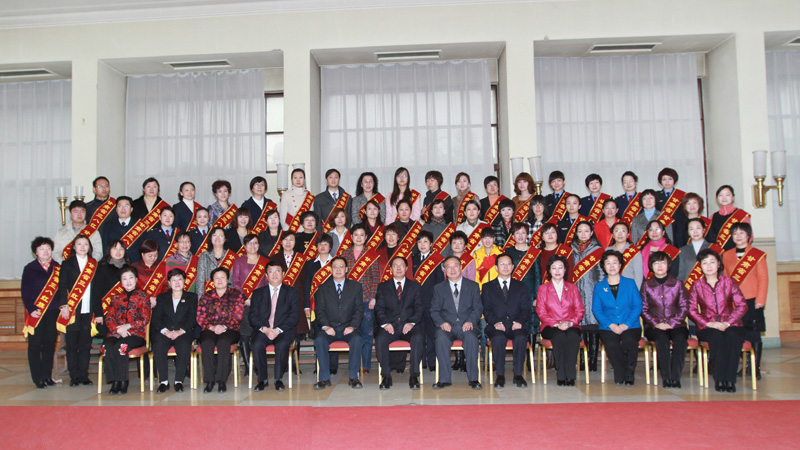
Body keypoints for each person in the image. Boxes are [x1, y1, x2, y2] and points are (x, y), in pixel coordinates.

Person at [689, 249, 747, 392]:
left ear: (719, 264)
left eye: (712, 262)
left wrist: (727, 323)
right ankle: (720, 379)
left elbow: (742, 305)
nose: (708, 266)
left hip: (731, 324)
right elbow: (691, 310)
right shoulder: (697, 285)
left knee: (733, 336)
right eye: (704, 263)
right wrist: (709, 323)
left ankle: (730, 380)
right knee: (717, 338)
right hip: (707, 326)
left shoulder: (729, 282)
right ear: (700, 266)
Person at [723, 222, 768, 380]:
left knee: (754, 333)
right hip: (735, 302)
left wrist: (760, 299)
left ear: (749, 236)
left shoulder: (757, 255)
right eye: (735, 233)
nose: (738, 236)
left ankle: (755, 367)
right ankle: (743, 365)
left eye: (742, 233)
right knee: (738, 333)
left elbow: (763, 279)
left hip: (753, 300)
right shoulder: (727, 255)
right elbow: (726, 279)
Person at [431, 256, 483, 390]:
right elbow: (434, 310)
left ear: (461, 267)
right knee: (441, 338)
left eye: (455, 265)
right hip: (447, 326)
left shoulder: (473, 286)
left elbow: (478, 308)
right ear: (445, 270)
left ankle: (473, 379)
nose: (452, 269)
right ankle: (444, 379)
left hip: (467, 325)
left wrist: (471, 321)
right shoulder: (438, 288)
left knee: (471, 339)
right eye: (448, 267)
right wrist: (442, 323)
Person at [313, 257, 365, 390]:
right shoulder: (323, 288)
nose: (338, 269)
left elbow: (359, 310)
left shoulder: (356, 287)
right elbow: (319, 310)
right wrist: (326, 326)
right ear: (330, 270)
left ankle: (353, 377)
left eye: (341, 266)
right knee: (319, 340)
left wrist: (352, 326)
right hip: (329, 328)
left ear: (346, 269)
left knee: (357, 340)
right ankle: (324, 378)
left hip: (348, 327)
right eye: (335, 267)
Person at [593, 250, 643, 386]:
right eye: (608, 263)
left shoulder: (630, 283)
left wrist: (626, 324)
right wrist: (612, 325)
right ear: (603, 266)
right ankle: (621, 372)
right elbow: (597, 310)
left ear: (620, 265)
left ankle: (629, 374)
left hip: (630, 325)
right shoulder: (599, 287)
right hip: (608, 326)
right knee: (611, 344)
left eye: (615, 262)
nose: (612, 266)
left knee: (629, 341)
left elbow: (637, 306)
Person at [640, 252, 689, 388]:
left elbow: (684, 307)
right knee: (662, 340)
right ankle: (666, 377)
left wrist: (672, 323)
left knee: (680, 340)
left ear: (669, 265)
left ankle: (675, 377)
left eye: (663, 262)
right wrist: (657, 323)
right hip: (654, 326)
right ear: (651, 266)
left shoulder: (678, 284)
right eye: (656, 263)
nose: (659, 266)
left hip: (677, 324)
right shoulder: (646, 285)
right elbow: (643, 309)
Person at [481, 254, 531, 388]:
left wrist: (519, 321)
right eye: (502, 264)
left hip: (516, 324)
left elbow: (526, 308)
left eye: (508, 264)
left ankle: (518, 375)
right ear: (496, 267)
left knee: (521, 338)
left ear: (513, 267)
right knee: (498, 339)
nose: (505, 267)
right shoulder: (487, 287)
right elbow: (486, 309)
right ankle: (500, 375)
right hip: (496, 325)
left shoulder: (521, 286)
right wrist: (495, 322)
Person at [250, 260, 300, 391]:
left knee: (282, 345)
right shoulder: (258, 293)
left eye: (278, 271)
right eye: (271, 272)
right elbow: (253, 316)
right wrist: (265, 329)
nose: (274, 274)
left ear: (283, 273)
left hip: (283, 330)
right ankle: (262, 379)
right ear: (266, 276)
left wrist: (278, 330)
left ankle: (278, 379)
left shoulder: (292, 292)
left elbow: (294, 316)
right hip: (264, 330)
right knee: (257, 344)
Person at [375, 256, 424, 390]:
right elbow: (379, 309)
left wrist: (412, 322)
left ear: (406, 268)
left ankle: (414, 375)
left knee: (418, 337)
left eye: (401, 265)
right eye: (395, 265)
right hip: (390, 326)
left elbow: (419, 308)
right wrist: (385, 324)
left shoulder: (415, 286)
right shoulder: (383, 286)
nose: (398, 268)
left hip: (409, 326)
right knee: (380, 339)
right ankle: (386, 376)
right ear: (390, 269)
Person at [536, 254, 585, 386]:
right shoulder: (543, 289)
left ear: (565, 270)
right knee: (559, 336)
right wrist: (557, 324)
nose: (557, 271)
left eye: (560, 267)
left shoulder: (573, 288)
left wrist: (569, 322)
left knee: (573, 336)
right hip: (550, 326)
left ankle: (570, 374)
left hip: (571, 324)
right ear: (549, 270)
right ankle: (561, 374)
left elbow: (580, 310)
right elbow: (541, 312)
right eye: (554, 268)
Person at [103, 266, 151, 395]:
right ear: (121, 282)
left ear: (136, 279)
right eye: (124, 279)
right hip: (117, 333)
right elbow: (109, 318)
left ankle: (123, 381)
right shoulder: (116, 298)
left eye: (131, 278)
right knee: (107, 346)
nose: (128, 281)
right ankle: (114, 380)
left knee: (121, 346)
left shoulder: (144, 297)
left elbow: (145, 319)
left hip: (135, 334)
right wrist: (118, 329)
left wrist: (128, 326)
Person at [197, 267, 246, 393]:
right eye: (216, 278)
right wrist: (212, 327)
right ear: (212, 281)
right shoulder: (206, 295)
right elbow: (200, 316)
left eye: (222, 277)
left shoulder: (236, 294)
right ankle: (210, 380)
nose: (219, 280)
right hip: (210, 328)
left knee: (223, 342)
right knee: (207, 342)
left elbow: (238, 315)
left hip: (230, 328)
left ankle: (221, 380)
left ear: (227, 279)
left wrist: (224, 327)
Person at [57, 235, 98, 386]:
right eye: (79, 244)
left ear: (89, 247)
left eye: (85, 244)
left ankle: (83, 375)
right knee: (72, 345)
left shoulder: (94, 264)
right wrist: (64, 306)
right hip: (72, 310)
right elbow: (62, 286)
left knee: (85, 345)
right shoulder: (67, 264)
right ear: (74, 247)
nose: (82, 247)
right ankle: (74, 376)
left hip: (88, 310)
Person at [21, 237, 61, 388]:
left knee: (50, 344)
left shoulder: (57, 267)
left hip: (53, 311)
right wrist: (31, 309)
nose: (46, 251)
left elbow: (62, 290)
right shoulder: (30, 268)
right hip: (36, 312)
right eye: (42, 249)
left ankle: (47, 376)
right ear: (36, 252)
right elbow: (25, 291)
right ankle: (37, 377)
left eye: (48, 248)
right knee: (35, 344)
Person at [152, 268, 196, 393]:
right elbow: (156, 319)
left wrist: (179, 332)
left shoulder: (192, 297)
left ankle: (178, 381)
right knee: (158, 345)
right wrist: (166, 331)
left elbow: (192, 319)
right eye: (173, 280)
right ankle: (163, 381)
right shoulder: (162, 298)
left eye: (179, 279)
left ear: (184, 281)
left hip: (183, 332)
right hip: (165, 332)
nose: (177, 283)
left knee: (184, 345)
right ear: (169, 283)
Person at [231, 234, 269, 376]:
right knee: (245, 335)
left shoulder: (265, 262)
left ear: (259, 245)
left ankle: (258, 365)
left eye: (255, 243)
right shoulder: (239, 261)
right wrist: (245, 298)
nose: (253, 246)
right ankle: (248, 366)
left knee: (258, 334)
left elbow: (268, 283)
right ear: (245, 246)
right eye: (250, 243)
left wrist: (259, 300)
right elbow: (235, 282)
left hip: (261, 305)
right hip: (244, 304)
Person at [571, 221, 604, 371]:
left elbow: (602, 274)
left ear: (591, 233)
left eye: (586, 231)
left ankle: (593, 361)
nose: (583, 234)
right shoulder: (571, 249)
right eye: (580, 231)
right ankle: (582, 361)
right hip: (576, 293)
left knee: (593, 327)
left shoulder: (598, 250)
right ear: (576, 233)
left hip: (593, 293)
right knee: (580, 327)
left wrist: (600, 293)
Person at [411, 230, 445, 372]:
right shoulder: (413, 259)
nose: (422, 245)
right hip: (416, 303)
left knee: (431, 333)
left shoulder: (437, 260)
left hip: (432, 303)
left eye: (425, 241)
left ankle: (432, 362)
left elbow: (440, 283)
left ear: (431, 244)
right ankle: (421, 362)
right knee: (419, 333)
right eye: (419, 242)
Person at [506, 223, 542, 342]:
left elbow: (538, 275)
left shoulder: (534, 252)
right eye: (517, 233)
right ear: (513, 236)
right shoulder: (508, 251)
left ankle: (530, 351)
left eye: (523, 233)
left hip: (530, 292)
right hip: (513, 292)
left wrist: (537, 296)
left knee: (531, 320)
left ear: (527, 235)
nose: (520, 235)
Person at [92, 240, 131, 339]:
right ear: (109, 250)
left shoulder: (129, 268)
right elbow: (96, 293)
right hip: (107, 311)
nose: (118, 251)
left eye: (121, 249)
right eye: (115, 248)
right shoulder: (102, 268)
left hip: (125, 313)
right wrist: (98, 314)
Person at [706, 185, 750, 251]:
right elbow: (711, 238)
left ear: (733, 197)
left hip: (738, 252)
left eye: (727, 195)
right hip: (719, 253)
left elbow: (749, 236)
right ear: (717, 198)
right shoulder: (713, 216)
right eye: (721, 195)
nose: (724, 198)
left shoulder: (741, 215)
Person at [196, 227, 236, 295]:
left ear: (225, 239)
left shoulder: (231, 256)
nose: (217, 238)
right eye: (215, 235)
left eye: (221, 235)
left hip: (227, 296)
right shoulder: (204, 255)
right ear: (211, 238)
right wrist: (200, 298)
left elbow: (233, 281)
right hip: (208, 296)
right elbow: (200, 280)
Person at [606, 222, 643, 288]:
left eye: (623, 231)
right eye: (617, 231)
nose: (620, 233)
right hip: (610, 288)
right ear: (613, 235)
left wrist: (635, 291)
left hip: (629, 289)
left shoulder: (635, 252)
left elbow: (638, 276)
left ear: (628, 234)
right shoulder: (607, 251)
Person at [677, 218, 712, 282]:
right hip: (689, 286)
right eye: (691, 229)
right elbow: (681, 273)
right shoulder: (682, 251)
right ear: (688, 232)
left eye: (698, 228)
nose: (695, 231)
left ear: (704, 230)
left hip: (709, 285)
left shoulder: (713, 248)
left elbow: (719, 272)